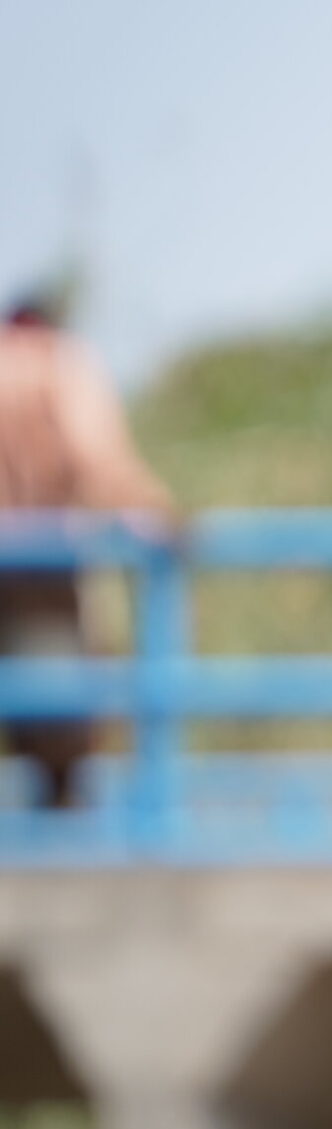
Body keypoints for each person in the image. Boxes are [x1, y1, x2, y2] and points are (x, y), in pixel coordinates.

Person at [0, 290, 174, 810]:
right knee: (68, 703)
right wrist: (158, 513)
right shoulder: (60, 362)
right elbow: (96, 456)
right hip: (47, 563)